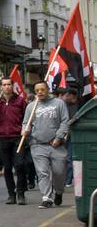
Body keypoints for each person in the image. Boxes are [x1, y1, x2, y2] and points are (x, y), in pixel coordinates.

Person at [23, 80, 71, 209]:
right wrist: (25, 130)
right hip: (37, 144)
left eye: (42, 89)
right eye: (37, 90)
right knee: (42, 172)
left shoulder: (59, 103)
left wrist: (59, 137)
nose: (40, 92)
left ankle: (59, 192)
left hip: (56, 145)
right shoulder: (31, 106)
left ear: (48, 89)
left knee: (59, 172)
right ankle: (46, 198)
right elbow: (26, 123)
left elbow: (65, 121)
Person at [0, 75, 28, 205]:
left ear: (12, 86)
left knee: (20, 165)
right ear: (1, 87)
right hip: (3, 138)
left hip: (17, 137)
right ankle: (11, 194)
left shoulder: (20, 101)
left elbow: (27, 118)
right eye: (4, 85)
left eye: (9, 84)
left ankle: (21, 193)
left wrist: (25, 130)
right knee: (7, 168)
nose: (6, 87)